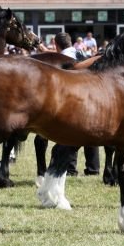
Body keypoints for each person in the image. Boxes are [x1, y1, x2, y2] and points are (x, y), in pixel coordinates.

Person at [52, 32, 100, 177]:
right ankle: (93, 168)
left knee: (71, 133)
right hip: (93, 95)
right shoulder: (82, 53)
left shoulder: (61, 59)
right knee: (92, 133)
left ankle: (71, 168)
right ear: (70, 42)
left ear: (56, 45)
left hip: (74, 97)